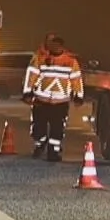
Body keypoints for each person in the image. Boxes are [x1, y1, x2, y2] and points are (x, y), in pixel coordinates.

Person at [25, 34, 84, 163]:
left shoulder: (70, 61)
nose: (55, 48)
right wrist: (27, 92)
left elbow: (76, 79)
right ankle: (40, 143)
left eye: (57, 45)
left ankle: (53, 152)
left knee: (57, 128)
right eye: (53, 45)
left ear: (61, 46)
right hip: (41, 101)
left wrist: (78, 96)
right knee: (38, 127)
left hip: (60, 102)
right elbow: (31, 76)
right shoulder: (40, 59)